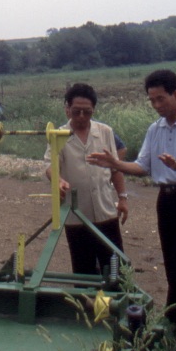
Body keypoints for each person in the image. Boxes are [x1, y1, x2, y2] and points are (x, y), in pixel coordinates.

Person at [87, 69, 176, 344]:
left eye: (160, 99)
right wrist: (116, 164)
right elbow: (143, 166)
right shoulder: (155, 129)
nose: (156, 105)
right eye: (152, 100)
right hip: (166, 200)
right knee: (172, 266)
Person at [45, 83, 129, 276]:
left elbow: (115, 168)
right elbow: (50, 165)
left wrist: (123, 197)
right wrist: (57, 180)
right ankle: (86, 306)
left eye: (87, 112)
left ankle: (116, 304)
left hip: (105, 211)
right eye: (76, 112)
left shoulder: (105, 132)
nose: (81, 117)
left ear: (94, 110)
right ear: (67, 109)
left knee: (116, 268)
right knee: (84, 271)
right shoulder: (58, 136)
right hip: (76, 215)